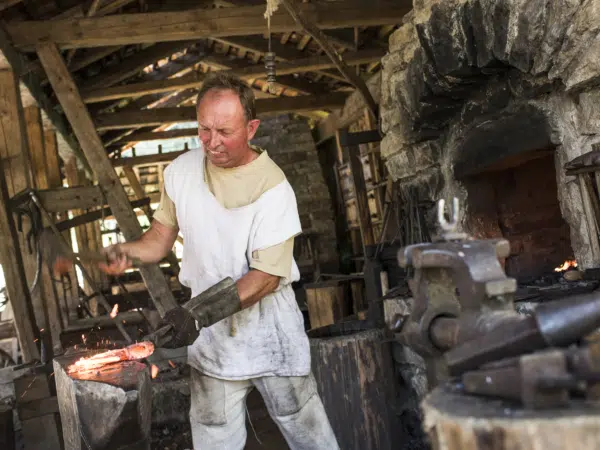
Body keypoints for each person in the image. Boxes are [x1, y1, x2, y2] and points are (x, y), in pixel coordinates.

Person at [99, 72, 339, 450]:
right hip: (210, 336)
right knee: (212, 432)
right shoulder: (181, 173)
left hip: (267, 329)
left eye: (225, 131)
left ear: (252, 127)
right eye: (204, 129)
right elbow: (160, 239)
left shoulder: (273, 189)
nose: (213, 142)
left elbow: (265, 278)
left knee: (305, 427)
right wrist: (127, 251)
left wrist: (195, 314)